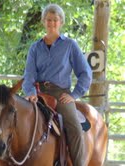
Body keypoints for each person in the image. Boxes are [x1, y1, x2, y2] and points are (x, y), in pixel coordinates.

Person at [22, 3, 92, 166]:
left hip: (61, 94)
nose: (51, 23)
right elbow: (29, 75)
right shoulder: (35, 48)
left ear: (61, 22)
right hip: (37, 93)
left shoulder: (70, 45)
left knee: (74, 128)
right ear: (43, 22)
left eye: (55, 20)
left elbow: (85, 73)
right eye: (48, 20)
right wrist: (30, 92)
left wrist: (74, 95)